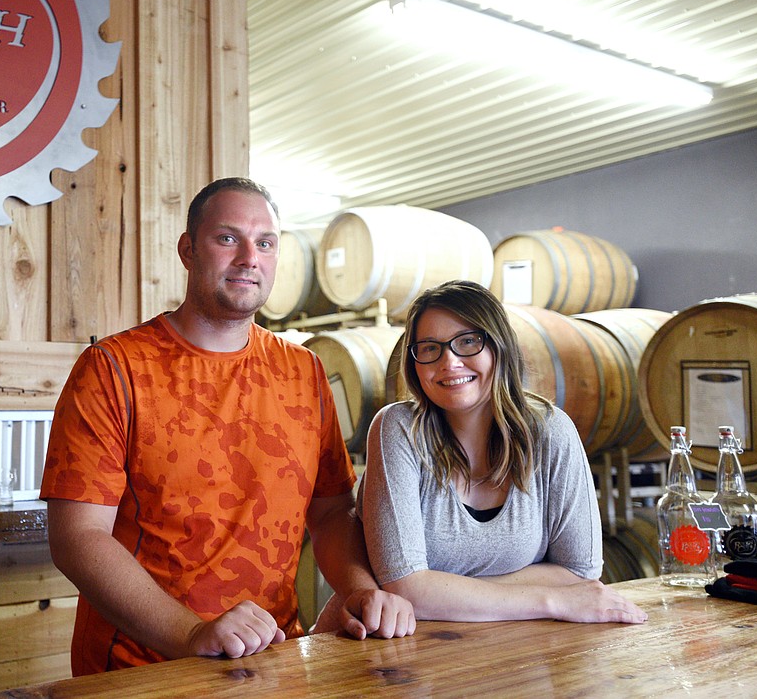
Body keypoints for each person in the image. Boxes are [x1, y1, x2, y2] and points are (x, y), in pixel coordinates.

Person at [40, 177, 415, 675]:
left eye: (265, 243)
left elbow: (329, 515)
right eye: (228, 238)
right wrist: (192, 634)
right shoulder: (113, 367)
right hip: (140, 670)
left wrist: (362, 590)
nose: (249, 257)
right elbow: (78, 538)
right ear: (188, 249)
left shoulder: (303, 371)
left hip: (270, 663)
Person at [344, 279, 647, 624]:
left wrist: (443, 592)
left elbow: (581, 572)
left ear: (499, 347)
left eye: (469, 341)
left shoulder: (550, 431)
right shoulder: (398, 429)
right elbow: (406, 588)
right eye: (429, 348)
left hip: (511, 650)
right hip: (396, 652)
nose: (450, 361)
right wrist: (552, 600)